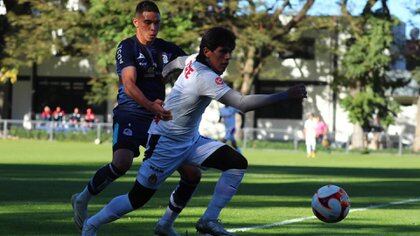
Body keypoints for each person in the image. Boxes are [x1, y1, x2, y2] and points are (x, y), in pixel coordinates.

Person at [81, 26, 307, 236]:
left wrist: (164, 73)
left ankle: (195, 221)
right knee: (137, 199)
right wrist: (285, 95)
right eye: (223, 52)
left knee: (234, 163)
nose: (227, 57)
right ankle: (91, 224)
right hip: (165, 142)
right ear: (207, 52)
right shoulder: (204, 77)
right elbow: (243, 103)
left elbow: (178, 61)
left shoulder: (195, 59)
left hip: (190, 140)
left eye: (230, 52)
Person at [72, 2, 202, 236]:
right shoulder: (127, 47)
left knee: (192, 173)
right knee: (121, 163)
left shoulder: (167, 49)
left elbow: (193, 66)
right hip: (131, 113)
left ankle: (166, 224)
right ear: (136, 22)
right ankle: (82, 198)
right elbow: (129, 85)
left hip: (158, 118)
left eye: (157, 23)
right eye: (148, 23)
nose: (153, 28)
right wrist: (151, 105)